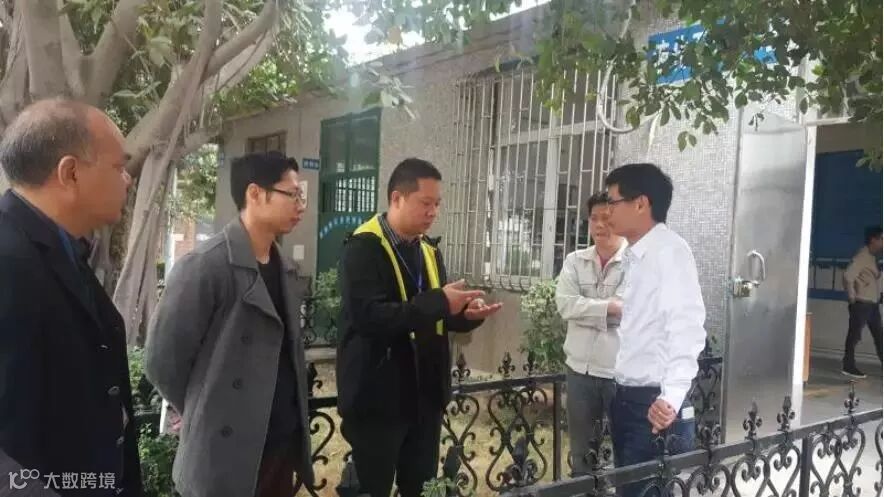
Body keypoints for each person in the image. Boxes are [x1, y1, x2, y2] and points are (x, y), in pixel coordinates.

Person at [144, 152, 313, 497]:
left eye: (302, 196)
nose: (300, 206)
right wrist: (212, 409)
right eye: (292, 194)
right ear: (255, 194)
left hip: (278, 447)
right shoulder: (206, 266)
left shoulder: (287, 270)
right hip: (224, 453)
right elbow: (162, 362)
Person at [0, 99, 142, 496]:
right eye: (118, 167)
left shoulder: (63, 248)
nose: (128, 180)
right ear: (70, 172)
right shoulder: (7, 258)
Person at [337, 158, 502, 497]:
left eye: (437, 204)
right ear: (396, 198)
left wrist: (465, 315)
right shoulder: (363, 247)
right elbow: (370, 317)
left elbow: (434, 315)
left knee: (421, 487)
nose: (433, 212)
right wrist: (441, 301)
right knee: (373, 489)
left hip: (425, 396)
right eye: (425, 203)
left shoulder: (428, 249)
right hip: (378, 399)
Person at [604, 163, 706, 497]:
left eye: (612, 201)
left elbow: (687, 328)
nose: (606, 211)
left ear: (640, 203)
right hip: (627, 398)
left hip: (654, 406)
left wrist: (671, 397)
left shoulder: (670, 252)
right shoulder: (636, 255)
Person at [555, 192, 628, 476]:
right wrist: (608, 308)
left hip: (618, 372)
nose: (599, 225)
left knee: (626, 452)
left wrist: (585, 310)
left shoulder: (635, 262)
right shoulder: (575, 261)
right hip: (579, 371)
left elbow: (628, 311)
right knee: (582, 455)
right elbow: (565, 305)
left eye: (606, 218)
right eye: (594, 218)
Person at [841, 225, 883, 378]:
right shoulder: (862, 256)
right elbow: (848, 275)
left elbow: (871, 278)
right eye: (882, 239)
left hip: (872, 304)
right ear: (873, 240)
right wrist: (852, 295)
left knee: (879, 336)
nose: (883, 242)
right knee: (855, 336)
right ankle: (848, 366)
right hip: (862, 304)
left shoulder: (872, 257)